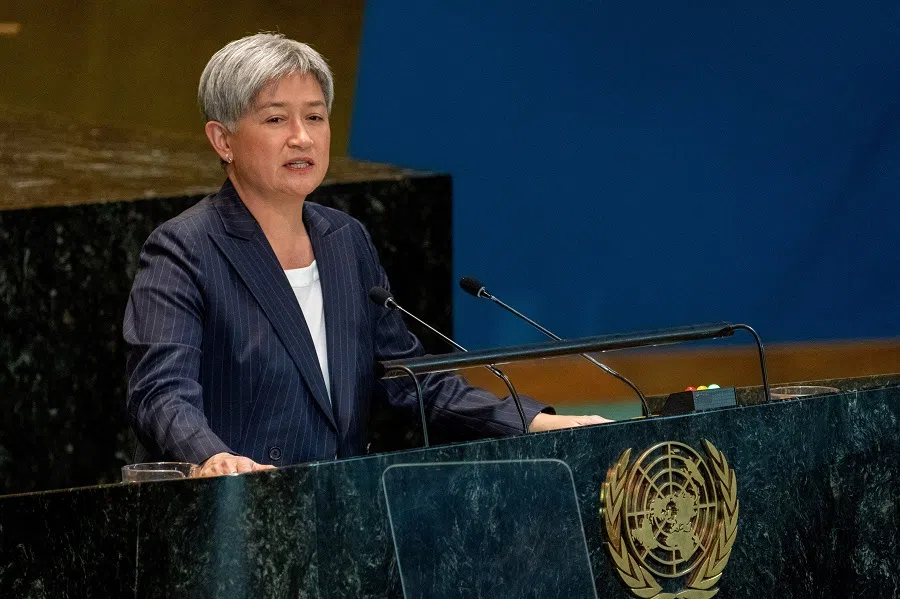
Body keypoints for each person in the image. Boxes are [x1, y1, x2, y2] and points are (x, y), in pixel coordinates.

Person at [124, 33, 610, 478]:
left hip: (343, 518)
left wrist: (543, 421)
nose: (302, 137)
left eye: (314, 116)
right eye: (276, 119)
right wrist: (214, 457)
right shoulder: (186, 248)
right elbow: (162, 391)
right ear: (223, 139)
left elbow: (414, 383)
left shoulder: (344, 241)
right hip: (239, 522)